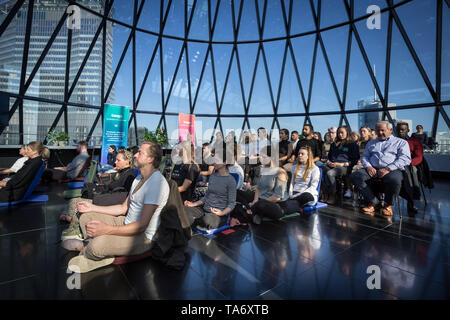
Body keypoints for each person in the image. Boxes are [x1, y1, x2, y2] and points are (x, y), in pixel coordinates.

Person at [64, 141, 170, 274]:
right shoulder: (138, 178)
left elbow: (142, 226)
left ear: (150, 159)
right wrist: (92, 207)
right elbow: (122, 208)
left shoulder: (156, 184)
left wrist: (107, 229)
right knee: (86, 216)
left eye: (140, 152)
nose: (135, 155)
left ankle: (91, 249)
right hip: (125, 222)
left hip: (142, 237)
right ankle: (96, 248)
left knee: (98, 244)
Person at [350, 121, 411, 217]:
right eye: (378, 131)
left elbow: (405, 159)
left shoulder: (401, 142)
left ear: (390, 130)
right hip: (372, 169)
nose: (380, 133)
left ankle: (388, 205)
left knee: (395, 179)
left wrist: (388, 168)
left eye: (383, 130)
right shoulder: (371, 143)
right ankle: (374, 202)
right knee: (355, 176)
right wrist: (368, 166)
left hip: (392, 169)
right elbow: (365, 157)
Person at [59, 150, 136, 225]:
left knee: (74, 202)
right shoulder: (121, 173)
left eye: (118, 160)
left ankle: (71, 218)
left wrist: (98, 197)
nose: (115, 162)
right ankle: (68, 216)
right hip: (104, 197)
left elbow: (122, 197)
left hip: (106, 200)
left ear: (127, 162)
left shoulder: (129, 176)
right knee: (72, 202)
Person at [184, 142, 236, 231]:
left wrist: (222, 212)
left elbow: (232, 203)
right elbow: (207, 196)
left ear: (224, 162)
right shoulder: (213, 176)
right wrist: (194, 204)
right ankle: (193, 221)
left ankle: (191, 221)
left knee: (206, 220)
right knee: (182, 209)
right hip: (204, 210)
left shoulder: (230, 180)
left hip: (217, 215)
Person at [246, 146, 289, 224]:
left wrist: (256, 204)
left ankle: (254, 213)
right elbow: (258, 188)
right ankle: (257, 213)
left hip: (276, 205)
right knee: (241, 193)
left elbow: (277, 197)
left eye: (263, 156)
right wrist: (255, 201)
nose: (260, 158)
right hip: (261, 199)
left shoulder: (280, 172)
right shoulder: (264, 170)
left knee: (261, 205)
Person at [321, 126, 359, 204]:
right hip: (333, 164)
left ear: (347, 133)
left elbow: (355, 160)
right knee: (319, 170)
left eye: (342, 133)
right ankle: (325, 193)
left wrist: (341, 164)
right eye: (338, 133)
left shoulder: (352, 144)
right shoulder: (334, 144)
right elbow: (330, 157)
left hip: (344, 166)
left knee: (330, 173)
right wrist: (328, 162)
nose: (340, 134)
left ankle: (333, 195)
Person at [396, 122, 423, 214]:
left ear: (408, 130)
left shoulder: (415, 142)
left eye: (403, 130)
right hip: (394, 165)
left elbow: (419, 157)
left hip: (410, 165)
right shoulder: (392, 141)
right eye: (398, 130)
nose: (400, 132)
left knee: (411, 172)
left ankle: (410, 201)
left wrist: (407, 163)